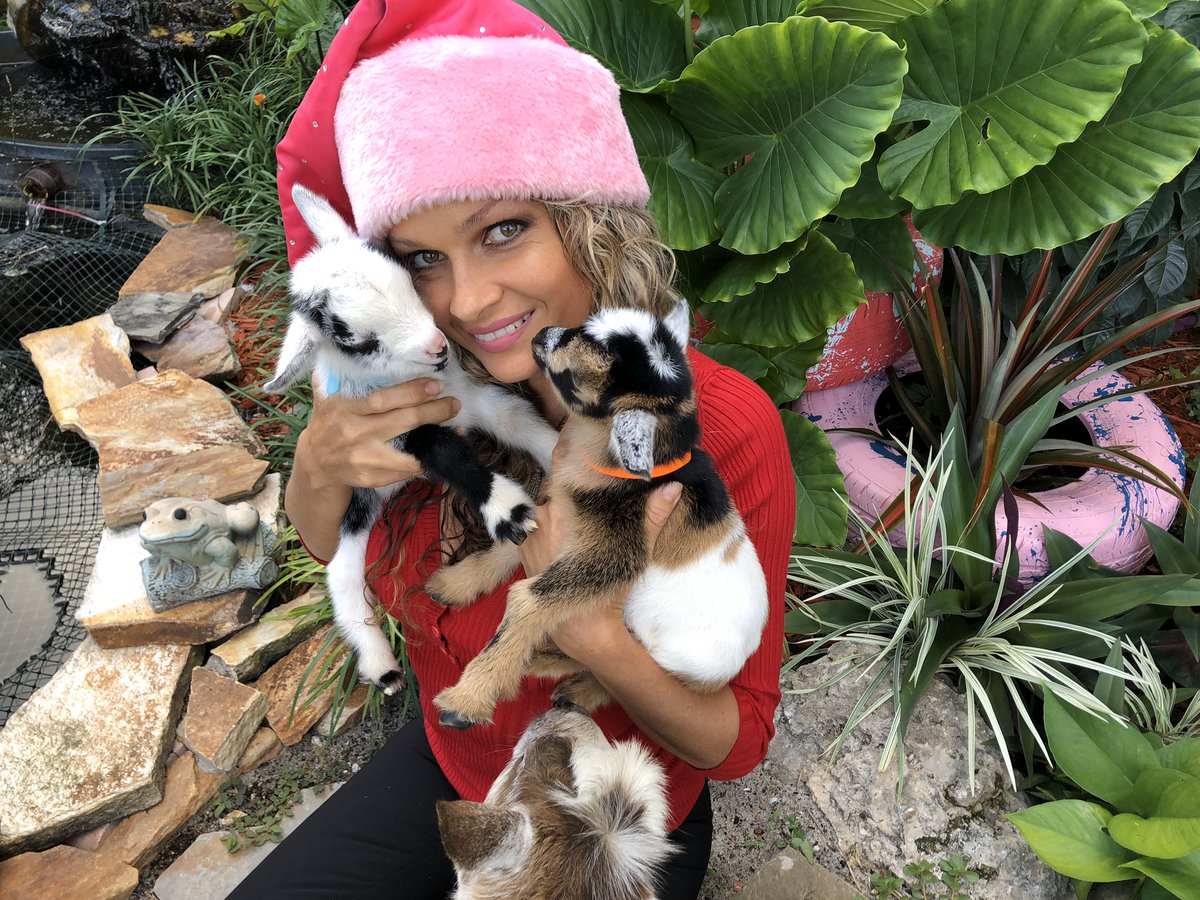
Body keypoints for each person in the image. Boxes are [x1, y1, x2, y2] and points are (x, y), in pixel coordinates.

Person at [229, 1, 796, 897]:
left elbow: (738, 742)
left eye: (502, 231)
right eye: (422, 259)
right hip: (455, 758)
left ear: (590, 219)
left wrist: (593, 636)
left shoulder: (717, 428)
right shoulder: (419, 392)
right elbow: (329, 539)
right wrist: (315, 466)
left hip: (608, 815)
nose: (466, 300)